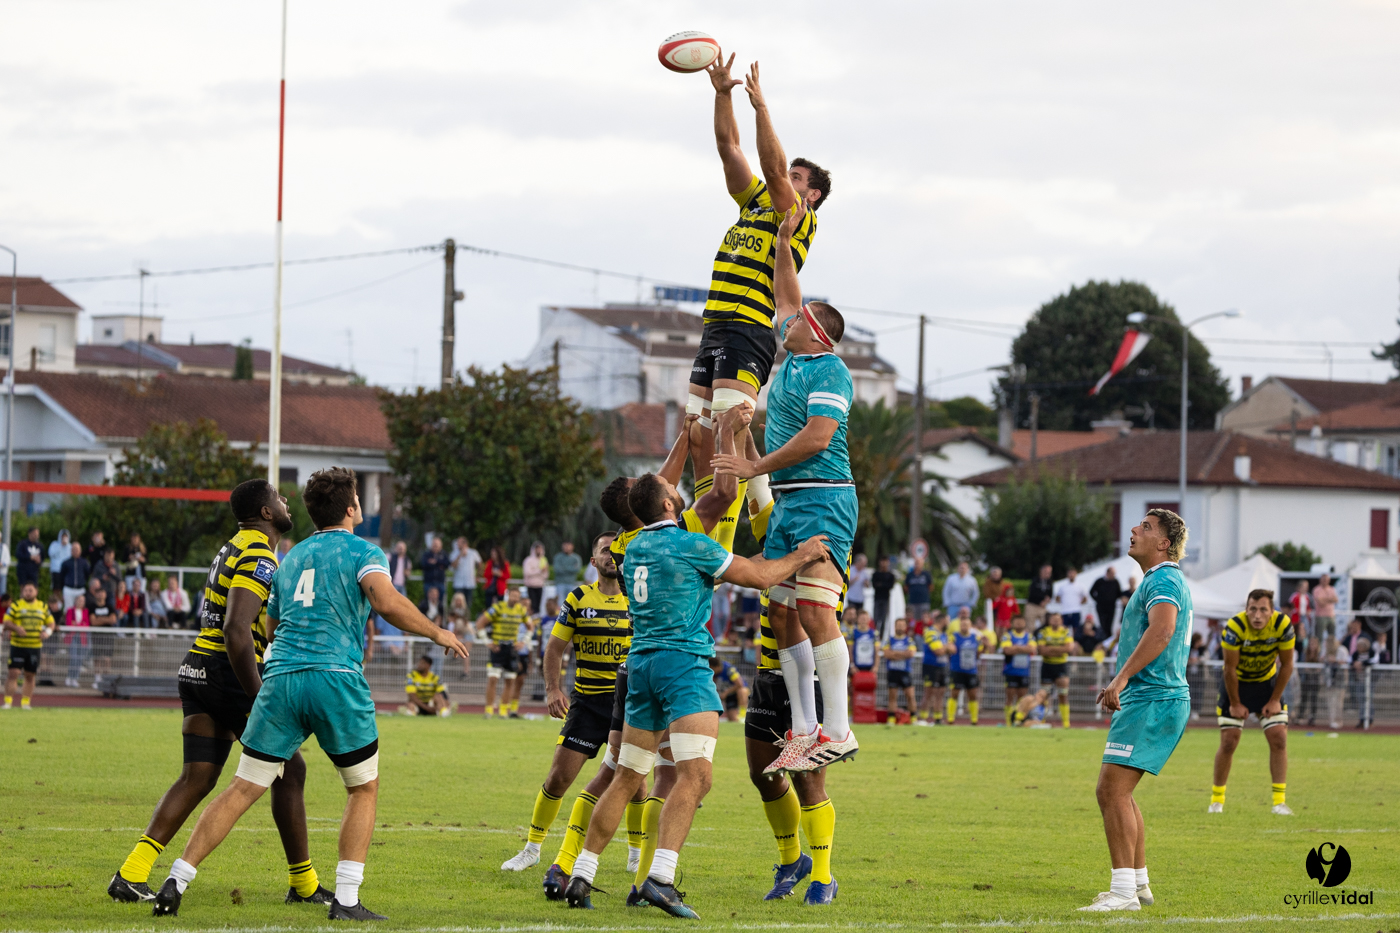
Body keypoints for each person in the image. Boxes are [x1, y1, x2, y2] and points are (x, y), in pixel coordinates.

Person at [151, 467, 468, 921]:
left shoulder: (291, 556)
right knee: (363, 787)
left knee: (242, 788)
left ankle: (176, 879)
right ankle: (346, 900)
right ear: (353, 508)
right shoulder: (363, 550)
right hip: (334, 677)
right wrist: (437, 632)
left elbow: (272, 625)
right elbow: (384, 600)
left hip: (279, 679)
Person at [562, 471, 828, 917]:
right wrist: (803, 554)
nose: (678, 491)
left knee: (628, 776)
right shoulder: (691, 544)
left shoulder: (633, 547)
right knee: (697, 777)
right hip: (682, 667)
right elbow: (761, 578)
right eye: (672, 490)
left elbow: (696, 577)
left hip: (640, 667)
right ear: (668, 505)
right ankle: (661, 878)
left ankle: (582, 873)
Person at [110, 479, 333, 907]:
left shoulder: (232, 544)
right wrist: (259, 694)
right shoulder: (259, 552)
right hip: (227, 671)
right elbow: (236, 629)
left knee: (198, 776)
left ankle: (132, 873)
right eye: (279, 499)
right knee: (291, 768)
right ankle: (303, 886)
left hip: (197, 665)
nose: (286, 502)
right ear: (266, 513)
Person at [684, 49, 829, 501]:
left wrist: (761, 106)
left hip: (748, 327)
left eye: (796, 176)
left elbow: (769, 166)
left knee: (728, 426)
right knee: (696, 433)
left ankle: (730, 530)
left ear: (813, 194)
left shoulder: (798, 217)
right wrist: (723, 95)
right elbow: (730, 148)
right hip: (715, 323)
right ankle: (754, 513)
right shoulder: (754, 203)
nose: (786, 176)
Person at [504, 534, 637, 879]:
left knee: (636, 782)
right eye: (605, 550)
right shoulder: (578, 598)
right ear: (593, 562)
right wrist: (552, 689)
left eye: (616, 550)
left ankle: (637, 856)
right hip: (588, 703)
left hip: (629, 702)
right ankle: (532, 849)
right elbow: (554, 649)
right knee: (558, 778)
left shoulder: (637, 600)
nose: (611, 555)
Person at [1081, 509, 1193, 913]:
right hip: (1156, 699)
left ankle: (1123, 892)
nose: (1133, 529)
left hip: (1152, 698)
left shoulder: (1163, 578)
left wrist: (1121, 678)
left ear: (1164, 543)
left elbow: (1162, 630)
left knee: (1110, 790)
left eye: (1145, 527)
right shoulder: (1160, 579)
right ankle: (1138, 883)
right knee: (1121, 793)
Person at [1209, 589, 1295, 816]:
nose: (1257, 615)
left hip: (1267, 685)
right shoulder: (1234, 627)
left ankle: (1279, 802)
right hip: (1236, 684)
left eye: (1263, 610)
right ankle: (1217, 800)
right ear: (1246, 610)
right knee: (1229, 741)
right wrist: (1236, 703)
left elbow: (1287, 665)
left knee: (1279, 737)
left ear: (1272, 611)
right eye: (1252, 609)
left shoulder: (1283, 625)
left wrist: (1275, 699)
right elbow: (1229, 669)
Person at [477, 587, 530, 719]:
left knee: (510, 680)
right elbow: (480, 623)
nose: (515, 598)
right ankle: (489, 709)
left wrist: (524, 641)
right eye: (512, 595)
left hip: (511, 649)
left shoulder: (521, 610)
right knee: (493, 679)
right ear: (508, 595)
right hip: (497, 648)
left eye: (517, 596)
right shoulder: (498, 608)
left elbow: (531, 626)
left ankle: (503, 710)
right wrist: (487, 642)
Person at [3, 582, 56, 710]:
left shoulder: (42, 606)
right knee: (13, 673)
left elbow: (51, 623)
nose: (28, 592)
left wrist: (47, 633)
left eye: (30, 590)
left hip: (34, 647)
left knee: (30, 675)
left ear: (36, 592)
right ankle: (8, 702)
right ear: (23, 592)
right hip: (18, 646)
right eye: (26, 590)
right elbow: (6, 622)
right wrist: (16, 628)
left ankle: (25, 702)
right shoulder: (16, 605)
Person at [944, 609, 984, 725]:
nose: (964, 626)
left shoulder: (975, 638)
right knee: (954, 693)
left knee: (972, 694)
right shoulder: (954, 637)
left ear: (970, 626)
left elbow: (980, 651)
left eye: (966, 624)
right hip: (957, 670)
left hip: (971, 670)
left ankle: (974, 720)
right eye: (962, 624)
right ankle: (950, 719)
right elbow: (949, 647)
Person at [1037, 612, 1075, 729]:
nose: (1055, 621)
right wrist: (1060, 649)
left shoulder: (1065, 631)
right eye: (1053, 619)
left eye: (1058, 619)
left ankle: (1066, 723)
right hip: (1047, 665)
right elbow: (1042, 650)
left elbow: (1068, 648)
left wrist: (1050, 649)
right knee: (1044, 695)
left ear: (1061, 621)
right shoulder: (1043, 632)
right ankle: (1041, 721)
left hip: (1061, 665)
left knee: (1063, 694)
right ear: (1049, 621)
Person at [1000, 615, 1036, 726]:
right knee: (1010, 697)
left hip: (1024, 672)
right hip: (1011, 671)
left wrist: (1015, 648)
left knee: (1022, 699)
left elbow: (1032, 649)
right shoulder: (1007, 636)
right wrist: (1024, 649)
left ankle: (1018, 720)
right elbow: (1006, 650)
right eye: (1017, 622)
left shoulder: (1029, 636)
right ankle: (1008, 722)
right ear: (1012, 623)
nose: (1019, 624)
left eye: (1021, 622)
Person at [882, 617, 917, 724]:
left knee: (910, 695)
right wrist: (903, 654)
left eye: (902, 625)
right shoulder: (889, 640)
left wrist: (895, 654)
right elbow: (887, 654)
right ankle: (891, 719)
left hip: (905, 671)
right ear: (895, 626)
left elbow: (911, 653)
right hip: (893, 671)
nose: (900, 627)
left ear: (905, 627)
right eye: (898, 625)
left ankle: (914, 719)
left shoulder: (909, 640)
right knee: (892, 696)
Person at [919, 612, 950, 724]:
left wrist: (945, 648)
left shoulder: (944, 634)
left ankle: (938, 719)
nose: (949, 623)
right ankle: (923, 718)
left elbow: (953, 649)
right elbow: (938, 651)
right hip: (930, 666)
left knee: (940, 693)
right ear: (942, 621)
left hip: (942, 666)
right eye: (947, 620)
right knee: (928, 693)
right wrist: (946, 648)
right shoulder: (930, 631)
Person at [711, 655, 750, 722]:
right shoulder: (715, 674)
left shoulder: (729, 669)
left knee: (742, 690)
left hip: (736, 693)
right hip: (729, 696)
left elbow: (740, 684)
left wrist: (726, 693)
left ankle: (743, 715)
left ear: (716, 667)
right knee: (733, 719)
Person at [64, 593, 90, 688]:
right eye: (79, 600)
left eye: (82, 601)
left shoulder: (86, 611)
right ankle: (69, 676)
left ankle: (75, 678)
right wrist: (80, 625)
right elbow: (69, 623)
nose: (81, 602)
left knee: (79, 659)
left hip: (82, 637)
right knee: (73, 658)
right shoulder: (70, 610)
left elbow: (86, 624)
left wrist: (77, 625)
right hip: (73, 636)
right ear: (75, 601)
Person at [1055, 566, 1090, 633]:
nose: (1071, 575)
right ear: (1067, 575)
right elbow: (1057, 598)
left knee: (1076, 630)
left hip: (1076, 610)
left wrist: (1078, 603)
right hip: (1065, 611)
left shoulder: (1080, 586)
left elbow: (1085, 597)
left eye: (1072, 573)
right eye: (1070, 573)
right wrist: (1064, 603)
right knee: (1064, 629)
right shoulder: (1062, 587)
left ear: (1076, 574)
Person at [450, 537, 480, 611]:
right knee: (457, 603)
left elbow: (479, 563)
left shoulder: (473, 552)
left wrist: (478, 576)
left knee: (468, 604)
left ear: (465, 544)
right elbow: (453, 565)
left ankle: (466, 619)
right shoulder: (454, 553)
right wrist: (459, 555)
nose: (457, 545)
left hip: (470, 583)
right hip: (458, 583)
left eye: (459, 543)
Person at [1091, 567, 1123, 635]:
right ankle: (1103, 638)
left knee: (1109, 624)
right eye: (1112, 573)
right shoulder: (1099, 581)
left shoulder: (1115, 581)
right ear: (1107, 573)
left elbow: (1119, 593)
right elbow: (1091, 592)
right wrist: (1098, 600)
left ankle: (1108, 638)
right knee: (1103, 624)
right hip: (1101, 607)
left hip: (1111, 607)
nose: (1113, 575)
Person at [59, 542, 90, 610]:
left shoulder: (84, 562)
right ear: (71, 550)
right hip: (69, 589)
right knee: (68, 609)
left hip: (80, 589)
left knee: (80, 609)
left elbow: (87, 574)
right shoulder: (65, 563)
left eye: (77, 549)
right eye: (74, 549)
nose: (75, 551)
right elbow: (61, 577)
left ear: (80, 550)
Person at [419, 536, 449, 601]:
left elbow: (447, 564)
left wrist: (436, 562)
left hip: (440, 582)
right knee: (427, 601)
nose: (435, 546)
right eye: (434, 545)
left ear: (441, 546)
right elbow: (423, 564)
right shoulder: (426, 554)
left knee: (440, 602)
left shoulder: (444, 554)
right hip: (429, 582)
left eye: (437, 545)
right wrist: (439, 564)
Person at [522, 542, 549, 615]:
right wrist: (539, 571)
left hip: (540, 585)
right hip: (531, 586)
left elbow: (546, 575)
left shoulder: (543, 560)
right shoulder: (528, 560)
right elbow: (527, 572)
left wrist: (541, 572)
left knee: (538, 605)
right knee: (532, 605)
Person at [1312, 573, 1339, 639]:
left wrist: (1324, 599)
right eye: (1323, 579)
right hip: (1321, 616)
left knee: (1332, 636)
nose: (1325, 581)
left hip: (1331, 615)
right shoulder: (1317, 589)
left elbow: (1336, 600)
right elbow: (1320, 603)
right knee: (1319, 636)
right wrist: (1330, 599)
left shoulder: (1332, 589)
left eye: (1326, 580)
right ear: (1320, 580)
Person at [871, 557, 895, 629]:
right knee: (876, 617)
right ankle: (875, 633)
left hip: (885, 598)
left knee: (883, 619)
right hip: (877, 598)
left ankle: (881, 636)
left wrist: (881, 584)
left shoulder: (890, 575)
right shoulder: (876, 574)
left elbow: (890, 586)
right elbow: (874, 585)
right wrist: (884, 585)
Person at [906, 558, 933, 622]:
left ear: (922, 564)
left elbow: (931, 586)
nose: (917, 565)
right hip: (913, 601)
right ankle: (913, 631)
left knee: (925, 618)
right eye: (916, 563)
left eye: (919, 563)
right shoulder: (910, 575)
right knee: (913, 620)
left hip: (924, 601)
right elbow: (906, 587)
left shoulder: (926, 574)